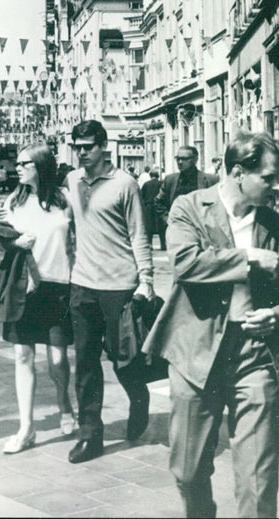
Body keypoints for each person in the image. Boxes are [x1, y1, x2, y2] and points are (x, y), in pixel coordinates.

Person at [143, 130, 279, 519]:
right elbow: (185, 263)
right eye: (268, 178)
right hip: (195, 354)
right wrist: (249, 258)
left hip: (256, 356)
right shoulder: (188, 207)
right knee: (187, 471)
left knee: (258, 479)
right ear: (239, 172)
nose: (277, 185)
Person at [65, 119, 154, 464]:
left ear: (104, 146)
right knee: (85, 362)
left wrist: (146, 280)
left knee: (124, 359)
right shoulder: (72, 180)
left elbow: (139, 234)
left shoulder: (125, 183)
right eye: (78, 147)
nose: (82, 153)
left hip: (119, 286)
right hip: (82, 284)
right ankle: (91, 435)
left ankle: (139, 397)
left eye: (88, 146)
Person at [0, 141, 75, 453]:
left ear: (41, 167)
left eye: (24, 163)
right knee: (22, 355)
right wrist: (14, 243)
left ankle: (64, 403)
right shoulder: (12, 203)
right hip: (24, 287)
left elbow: (78, 238)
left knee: (57, 358)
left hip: (58, 286)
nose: (17, 168)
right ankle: (26, 428)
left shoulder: (65, 200)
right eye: (17, 163)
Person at [155, 145, 200, 228]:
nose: (180, 162)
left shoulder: (210, 180)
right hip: (176, 229)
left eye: (184, 159)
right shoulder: (170, 180)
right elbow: (158, 202)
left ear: (195, 160)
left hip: (199, 229)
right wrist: (168, 219)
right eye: (178, 159)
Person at [140, 170, 166, 250]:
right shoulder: (161, 183)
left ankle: (150, 244)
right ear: (158, 175)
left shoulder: (146, 184)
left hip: (148, 206)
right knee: (161, 226)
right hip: (159, 206)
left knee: (149, 225)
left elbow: (141, 196)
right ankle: (163, 244)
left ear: (150, 176)